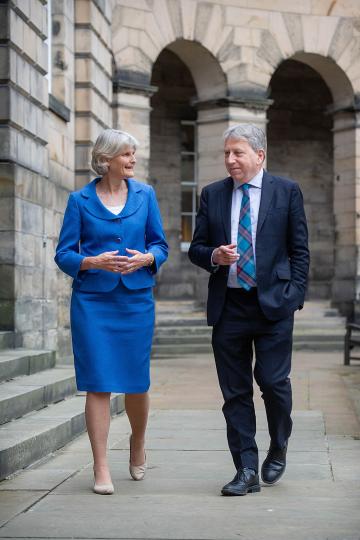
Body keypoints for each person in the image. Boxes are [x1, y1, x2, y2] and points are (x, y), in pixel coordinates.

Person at [188, 124, 309, 496]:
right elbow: (196, 247)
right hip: (229, 306)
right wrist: (213, 255)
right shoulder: (213, 194)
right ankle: (246, 469)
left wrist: (294, 296)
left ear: (259, 154)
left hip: (273, 305)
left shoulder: (286, 191)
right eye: (226, 153)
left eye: (237, 152)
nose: (230, 160)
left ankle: (279, 442)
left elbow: (300, 249)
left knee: (272, 382)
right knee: (235, 392)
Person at [55, 129, 168, 495]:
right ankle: (101, 466)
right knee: (98, 382)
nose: (132, 160)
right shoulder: (80, 200)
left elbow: (160, 244)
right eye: (126, 155)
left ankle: (137, 443)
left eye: (133, 154)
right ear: (106, 160)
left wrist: (149, 258)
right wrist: (91, 261)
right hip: (93, 303)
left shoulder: (146, 195)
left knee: (137, 382)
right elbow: (64, 254)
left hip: (135, 301)